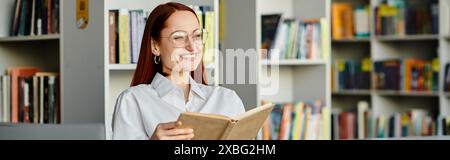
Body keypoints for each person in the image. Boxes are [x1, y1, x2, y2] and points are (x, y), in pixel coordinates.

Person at [112, 2, 245, 140]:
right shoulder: (133, 100)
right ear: (155, 46)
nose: (192, 47)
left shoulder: (228, 99)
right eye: (179, 37)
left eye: (197, 36)